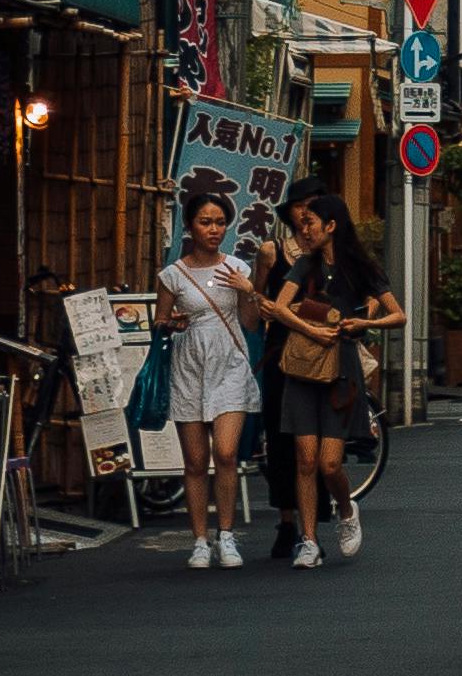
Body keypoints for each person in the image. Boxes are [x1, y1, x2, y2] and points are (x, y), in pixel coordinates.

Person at [263, 184, 387, 568]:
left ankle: (347, 512)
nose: (305, 228)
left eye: (311, 221)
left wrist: (361, 322)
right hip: (300, 367)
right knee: (304, 459)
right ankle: (309, 541)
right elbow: (276, 307)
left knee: (329, 464)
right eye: (302, 220)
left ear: (331, 225)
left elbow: (397, 315)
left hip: (341, 370)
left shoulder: (359, 267)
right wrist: (312, 328)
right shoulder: (305, 264)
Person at [156, 186, 266, 572]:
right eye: (206, 222)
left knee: (225, 453)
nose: (214, 229)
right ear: (190, 226)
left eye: (220, 222)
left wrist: (249, 292)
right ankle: (200, 540)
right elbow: (160, 324)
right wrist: (173, 323)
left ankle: (227, 535)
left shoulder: (238, 269)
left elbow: (251, 325)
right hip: (189, 366)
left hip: (229, 364)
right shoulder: (173, 275)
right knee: (195, 460)